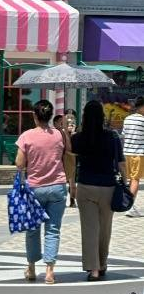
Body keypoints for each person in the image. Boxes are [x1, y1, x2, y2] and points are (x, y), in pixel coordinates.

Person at [71, 99, 126, 281]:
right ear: (102, 117)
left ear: (85, 117)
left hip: (85, 186)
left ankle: (93, 269)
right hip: (108, 187)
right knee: (105, 229)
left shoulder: (78, 138)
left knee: (89, 229)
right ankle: (102, 264)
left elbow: (69, 158)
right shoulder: (112, 137)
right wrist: (125, 183)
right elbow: (121, 163)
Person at [15, 100, 68, 285]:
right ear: (51, 116)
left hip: (35, 188)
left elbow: (19, 163)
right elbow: (66, 153)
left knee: (32, 229)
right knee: (53, 229)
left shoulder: (26, 136)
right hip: (57, 186)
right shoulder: (59, 135)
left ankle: (31, 268)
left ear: (34, 116)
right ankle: (49, 271)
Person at [122, 96, 144, 218]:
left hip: (127, 153)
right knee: (135, 180)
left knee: (131, 179)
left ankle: (130, 205)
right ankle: (130, 207)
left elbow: (124, 135)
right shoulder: (143, 120)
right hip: (138, 154)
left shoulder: (127, 119)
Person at [54, 114, 76, 208]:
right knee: (65, 181)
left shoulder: (71, 133)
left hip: (68, 159)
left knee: (71, 182)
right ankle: (64, 200)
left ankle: (72, 200)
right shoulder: (59, 133)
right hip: (63, 159)